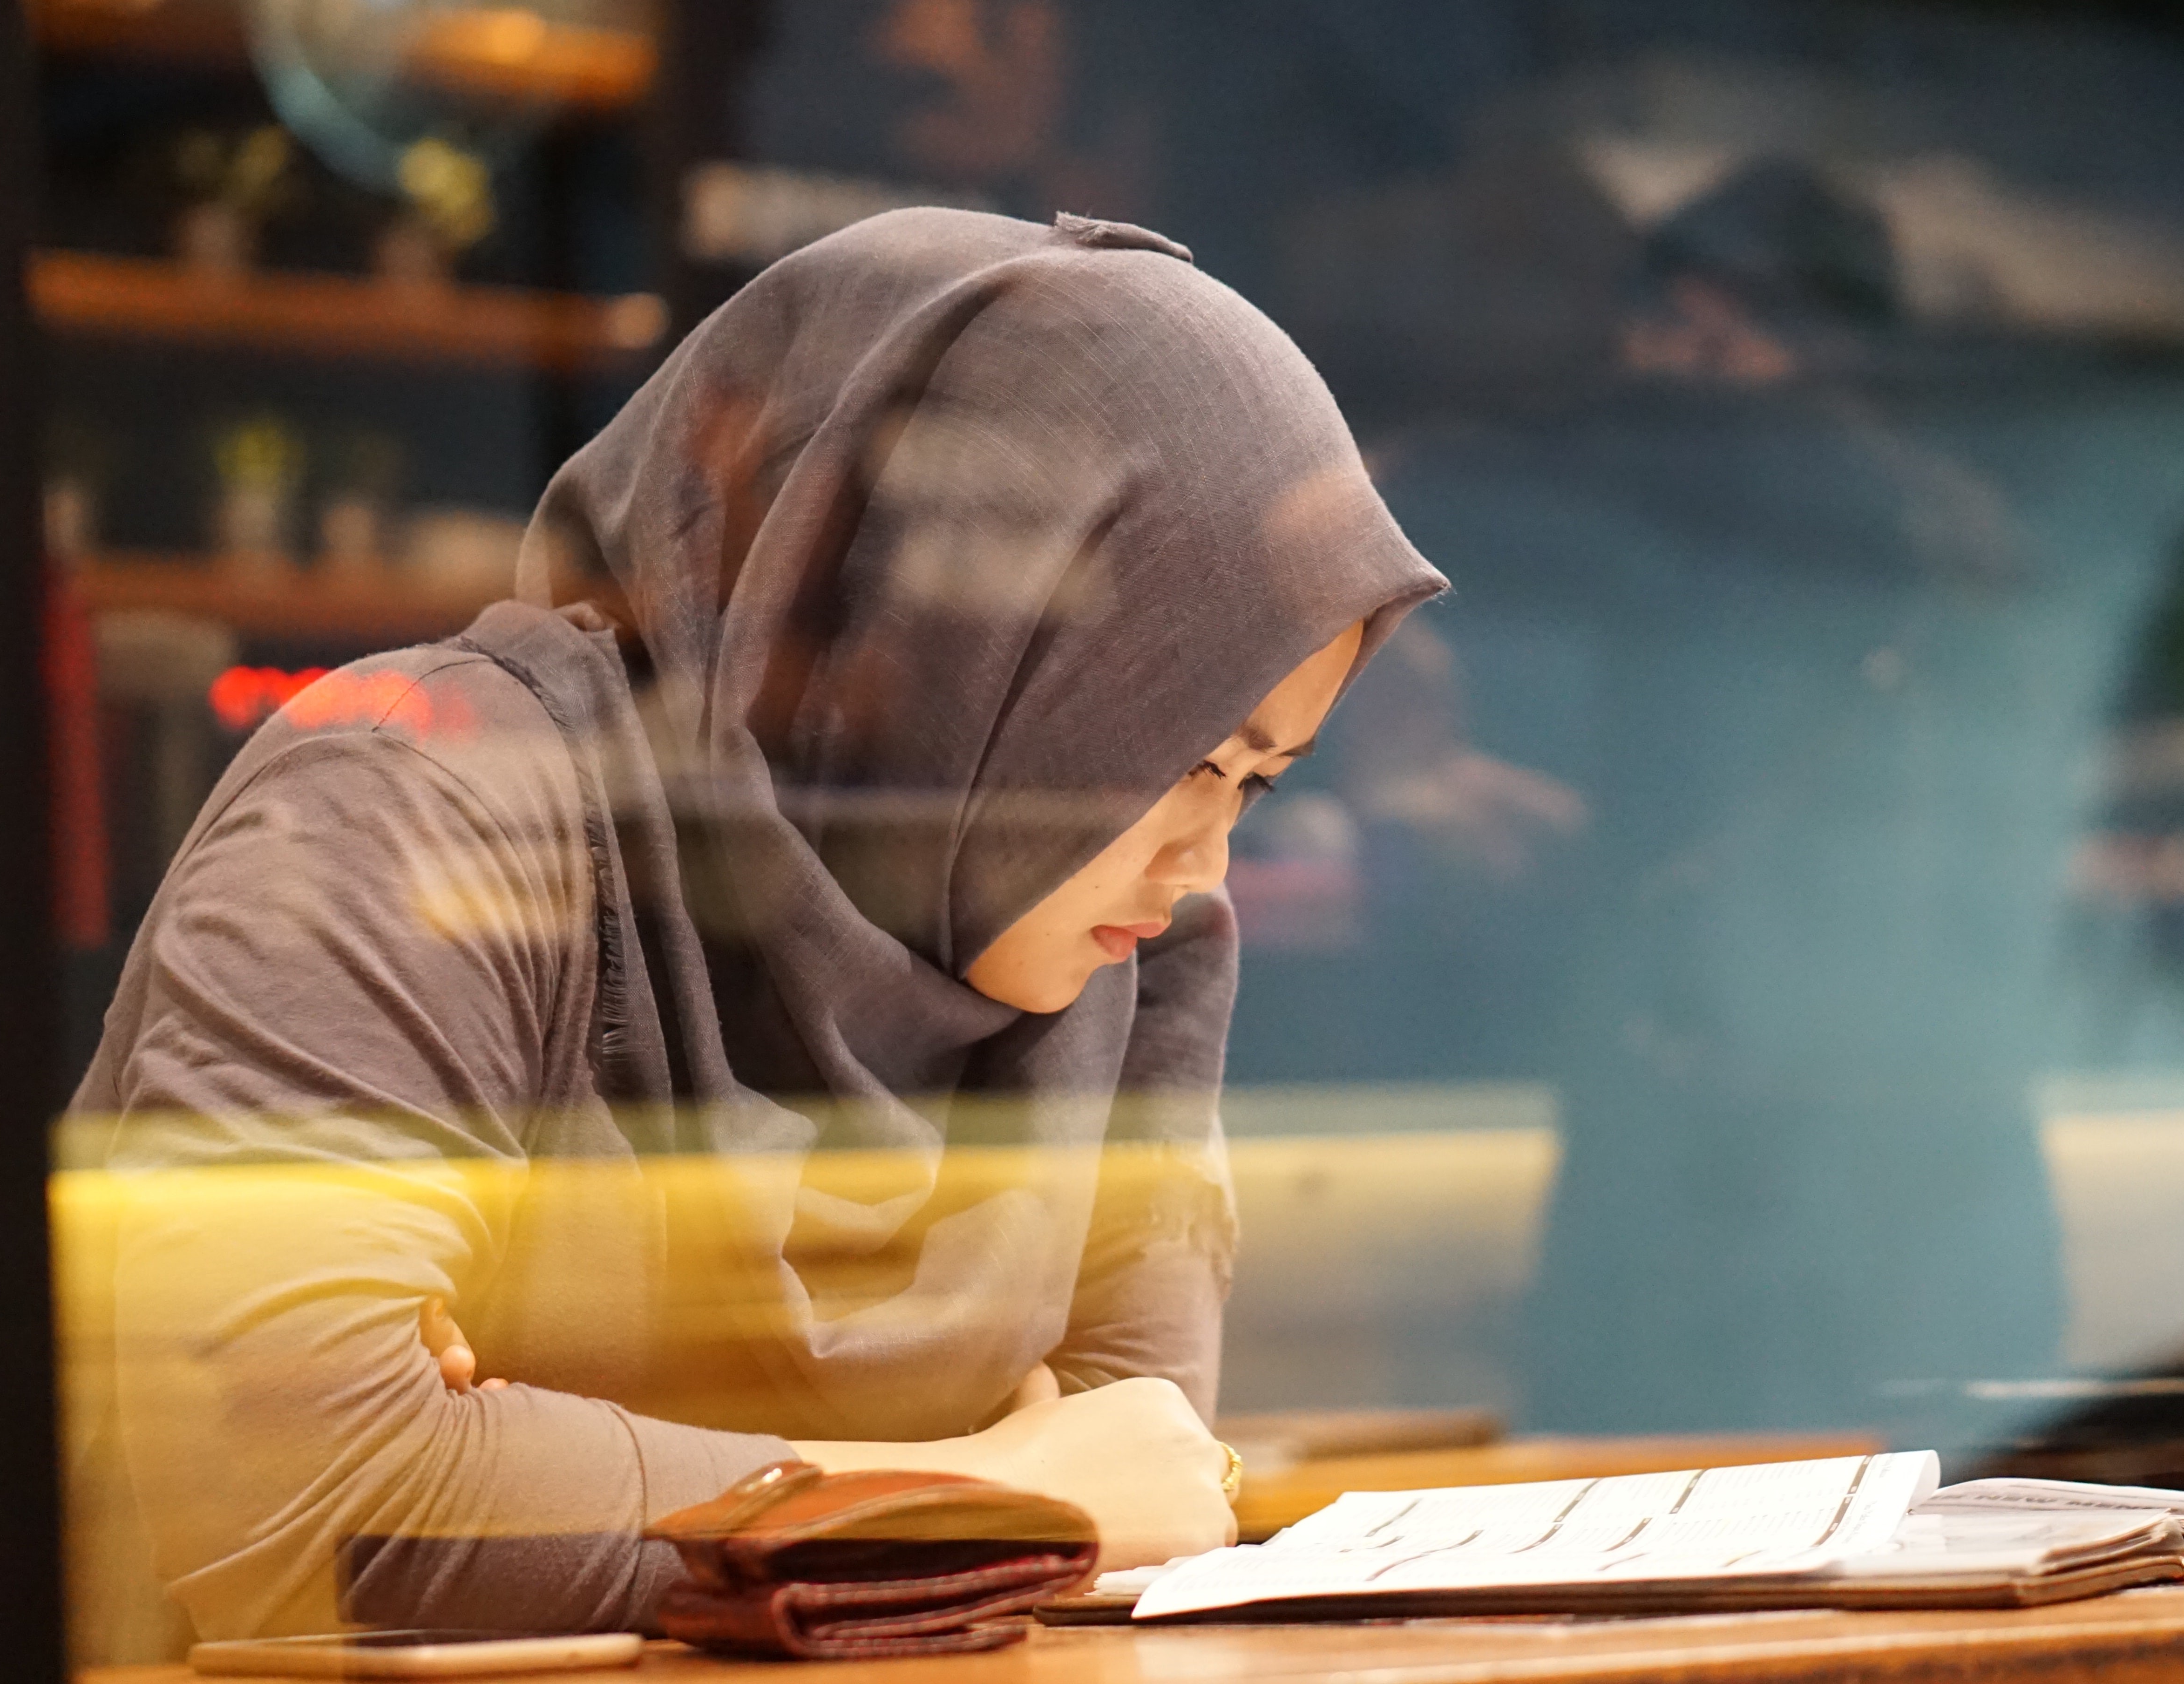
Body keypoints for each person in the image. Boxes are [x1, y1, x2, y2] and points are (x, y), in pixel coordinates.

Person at [69, 207, 1447, 1640]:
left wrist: (555, 1478)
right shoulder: (413, 807)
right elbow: (299, 1498)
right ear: (959, 642)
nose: (1206, 858)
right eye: (1183, 756)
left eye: (1258, 781)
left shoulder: (1124, 950)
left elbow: (1142, 1472)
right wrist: (978, 1499)